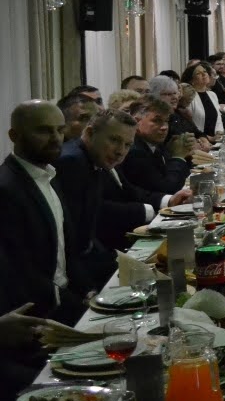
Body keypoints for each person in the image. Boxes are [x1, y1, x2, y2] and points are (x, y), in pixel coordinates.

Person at [56, 109, 190, 288]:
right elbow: (79, 238)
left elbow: (129, 192)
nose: (121, 151)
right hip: (80, 271)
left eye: (127, 145)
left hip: (99, 256)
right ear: (89, 133)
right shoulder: (72, 161)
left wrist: (169, 201)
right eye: (114, 140)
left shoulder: (94, 157)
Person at [0, 101, 89, 324]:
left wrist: (88, 291)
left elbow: (66, 249)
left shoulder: (49, 174)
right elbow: (19, 268)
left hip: (68, 296)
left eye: (60, 130)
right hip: (39, 313)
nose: (56, 138)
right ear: (14, 136)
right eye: (43, 130)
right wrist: (73, 305)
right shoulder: (6, 188)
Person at [120, 96, 194, 195]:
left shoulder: (153, 143)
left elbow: (181, 176)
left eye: (166, 121)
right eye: (156, 120)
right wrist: (178, 157)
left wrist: (175, 152)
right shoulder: (134, 151)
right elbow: (168, 190)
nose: (164, 127)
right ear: (136, 121)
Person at [183, 61, 225, 138]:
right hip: (200, 139)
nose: (204, 74)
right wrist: (207, 138)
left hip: (216, 139)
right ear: (192, 80)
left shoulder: (212, 95)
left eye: (205, 71)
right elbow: (190, 125)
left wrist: (219, 133)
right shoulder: (190, 97)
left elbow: (218, 119)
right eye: (198, 73)